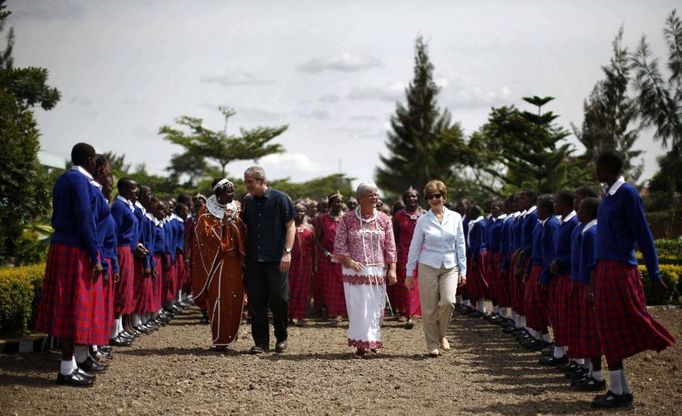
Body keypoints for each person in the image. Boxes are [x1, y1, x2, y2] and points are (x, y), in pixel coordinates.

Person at [591, 150, 675, 408]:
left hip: (619, 269)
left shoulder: (626, 193)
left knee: (613, 327)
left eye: (597, 166)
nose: (595, 171)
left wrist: (655, 271)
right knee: (606, 327)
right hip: (606, 269)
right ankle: (620, 389)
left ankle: (618, 392)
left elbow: (644, 233)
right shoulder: (608, 196)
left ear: (606, 168)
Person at [35, 143, 102, 387]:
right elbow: (85, 219)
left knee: (67, 308)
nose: (96, 164)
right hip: (76, 248)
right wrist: (95, 255)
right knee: (74, 309)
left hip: (61, 245)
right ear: (90, 159)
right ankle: (65, 370)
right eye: (95, 159)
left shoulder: (64, 178)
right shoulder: (80, 182)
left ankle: (70, 365)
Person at [334, 182, 397, 359]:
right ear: (360, 198)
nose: (375, 197)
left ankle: (373, 340)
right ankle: (360, 345)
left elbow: (390, 246)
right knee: (359, 309)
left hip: (377, 270)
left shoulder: (385, 219)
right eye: (371, 195)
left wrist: (392, 269)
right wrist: (350, 261)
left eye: (376, 194)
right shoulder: (347, 219)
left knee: (375, 307)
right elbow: (339, 245)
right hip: (354, 271)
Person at [406, 180, 466, 357]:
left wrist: (464, 270)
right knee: (429, 307)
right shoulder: (423, 220)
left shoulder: (455, 217)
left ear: (444, 196)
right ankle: (432, 344)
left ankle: (442, 335)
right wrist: (410, 273)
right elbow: (414, 247)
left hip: (450, 265)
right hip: (428, 265)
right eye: (430, 196)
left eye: (437, 195)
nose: (434, 199)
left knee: (448, 302)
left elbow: (460, 244)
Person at [241, 166, 296, 354]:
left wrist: (287, 252)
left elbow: (290, 226)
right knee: (256, 302)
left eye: (250, 181)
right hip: (254, 260)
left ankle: (282, 337)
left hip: (277, 259)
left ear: (261, 181)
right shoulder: (247, 202)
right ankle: (261, 343)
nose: (247, 185)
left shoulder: (281, 199)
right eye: (246, 181)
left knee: (279, 300)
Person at [191, 179, 245, 350]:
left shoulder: (236, 209)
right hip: (216, 262)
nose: (233, 194)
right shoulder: (205, 211)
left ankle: (230, 338)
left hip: (235, 261)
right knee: (218, 299)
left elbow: (243, 231)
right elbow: (204, 236)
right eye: (230, 192)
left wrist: (233, 223)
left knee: (235, 298)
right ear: (219, 193)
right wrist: (224, 224)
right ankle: (220, 339)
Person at [539, 190, 578, 366]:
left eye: (558, 202)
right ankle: (560, 352)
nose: (555, 205)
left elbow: (575, 253)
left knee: (568, 317)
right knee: (558, 316)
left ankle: (572, 357)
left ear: (568, 204)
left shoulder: (572, 223)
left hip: (567, 274)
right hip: (558, 274)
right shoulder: (562, 222)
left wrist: (560, 262)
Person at [110, 177, 140, 344]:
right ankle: (114, 333)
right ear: (123, 189)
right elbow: (114, 233)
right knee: (120, 291)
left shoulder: (126, 206)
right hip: (121, 250)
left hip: (128, 250)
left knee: (125, 292)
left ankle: (119, 329)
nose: (136, 191)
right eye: (133, 188)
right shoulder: (119, 208)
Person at [390, 187, 425, 329]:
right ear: (404, 200)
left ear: (418, 198)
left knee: (419, 283)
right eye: (408, 197)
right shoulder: (399, 216)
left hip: (421, 254)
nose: (411, 199)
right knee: (406, 283)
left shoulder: (424, 215)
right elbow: (394, 236)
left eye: (414, 196)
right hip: (403, 253)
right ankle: (406, 313)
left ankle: (416, 311)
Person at [315, 191, 347, 325]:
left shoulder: (347, 218)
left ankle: (342, 312)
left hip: (344, 258)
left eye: (340, 201)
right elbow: (317, 240)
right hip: (328, 258)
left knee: (344, 285)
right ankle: (333, 313)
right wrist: (326, 253)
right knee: (330, 286)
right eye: (336, 201)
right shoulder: (323, 219)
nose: (339, 204)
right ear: (330, 204)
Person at [289, 203, 315, 325]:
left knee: (304, 288)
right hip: (291, 262)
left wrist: (314, 265)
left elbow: (313, 248)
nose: (300, 214)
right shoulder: (288, 226)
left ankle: (300, 315)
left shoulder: (310, 227)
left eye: (302, 211)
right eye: (297, 211)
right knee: (291, 287)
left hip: (306, 262)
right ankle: (290, 314)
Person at [465, 205, 489, 317]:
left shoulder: (479, 224)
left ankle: (481, 308)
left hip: (478, 255)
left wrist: (474, 258)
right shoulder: (475, 223)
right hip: (475, 254)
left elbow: (478, 243)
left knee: (478, 280)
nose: (468, 214)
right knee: (474, 281)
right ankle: (477, 306)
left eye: (469, 212)